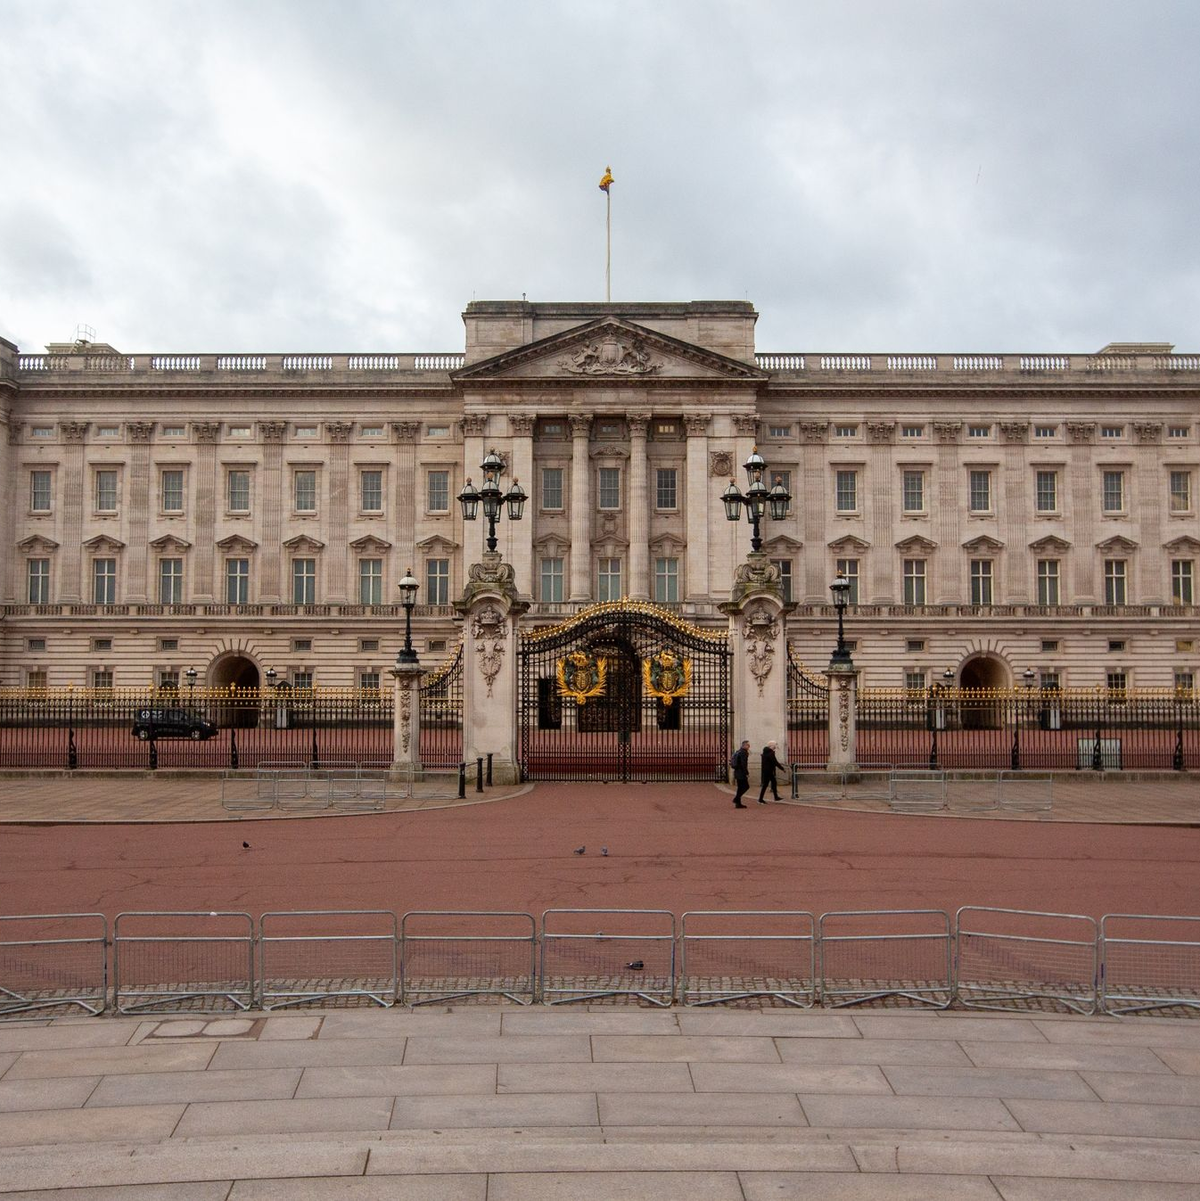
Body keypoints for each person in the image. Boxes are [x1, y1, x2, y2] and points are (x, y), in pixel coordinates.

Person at [731, 739, 751, 808]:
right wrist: (746, 773)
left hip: (737, 772)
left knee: (740, 788)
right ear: (745, 745)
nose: (749, 746)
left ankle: (738, 804)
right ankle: (736, 799)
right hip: (741, 772)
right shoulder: (743, 752)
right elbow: (743, 764)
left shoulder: (738, 751)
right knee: (746, 786)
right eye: (748, 745)